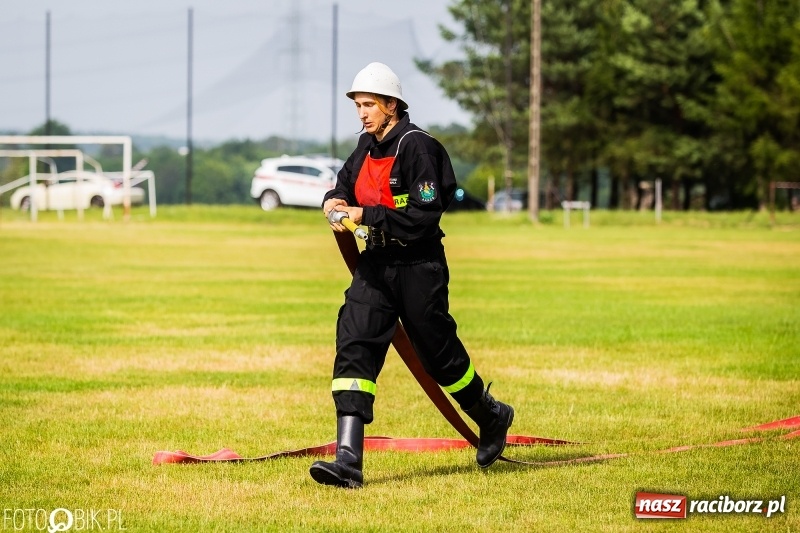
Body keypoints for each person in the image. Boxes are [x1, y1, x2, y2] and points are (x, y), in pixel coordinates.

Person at [310, 62, 515, 489]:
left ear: (392, 105)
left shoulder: (418, 147)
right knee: (355, 342)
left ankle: (491, 415)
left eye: (369, 105)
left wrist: (365, 214)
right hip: (375, 266)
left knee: (438, 355)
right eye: (358, 105)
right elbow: (342, 185)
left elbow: (423, 218)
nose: (362, 114)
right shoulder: (366, 145)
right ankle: (348, 460)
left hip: (419, 266)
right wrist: (332, 203)